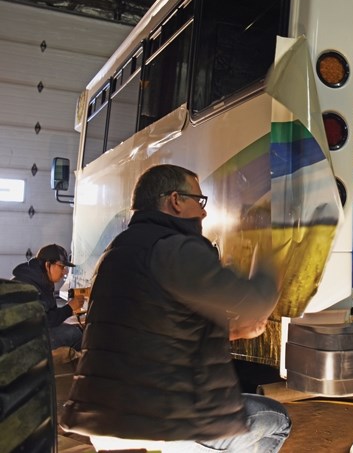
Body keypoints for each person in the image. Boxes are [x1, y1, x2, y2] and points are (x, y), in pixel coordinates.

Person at [61, 164, 290, 452]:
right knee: (275, 418)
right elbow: (255, 300)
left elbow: (154, 332)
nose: (204, 212)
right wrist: (274, 253)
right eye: (199, 200)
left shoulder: (119, 250)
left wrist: (234, 331)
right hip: (159, 420)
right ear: (175, 200)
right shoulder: (174, 247)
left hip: (102, 418)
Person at [12, 244, 83, 350]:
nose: (65, 272)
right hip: (19, 344)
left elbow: (50, 314)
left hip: (28, 336)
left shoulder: (42, 282)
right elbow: (43, 321)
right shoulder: (27, 285)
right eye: (62, 267)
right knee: (75, 333)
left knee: (76, 329)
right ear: (47, 265)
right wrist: (69, 308)